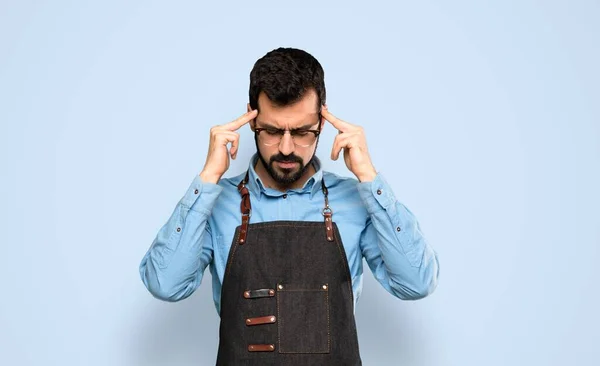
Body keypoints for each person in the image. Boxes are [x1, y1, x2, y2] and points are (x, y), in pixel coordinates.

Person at [139, 47, 439, 365]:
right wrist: (209, 177)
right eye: (271, 131)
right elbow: (165, 284)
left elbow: (416, 283)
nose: (285, 148)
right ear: (250, 118)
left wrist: (369, 176)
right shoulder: (216, 201)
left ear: (323, 122)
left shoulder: (355, 200)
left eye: (301, 132)